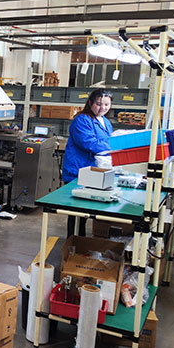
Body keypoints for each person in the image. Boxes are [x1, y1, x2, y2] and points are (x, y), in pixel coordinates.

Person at [61, 89, 113, 237]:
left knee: (84, 212)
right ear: (90, 103)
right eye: (99, 104)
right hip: (78, 171)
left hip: (93, 172)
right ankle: (73, 243)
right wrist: (115, 146)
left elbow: (108, 141)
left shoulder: (106, 122)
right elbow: (89, 143)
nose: (103, 108)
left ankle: (80, 242)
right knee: (76, 213)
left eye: (106, 104)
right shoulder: (82, 120)